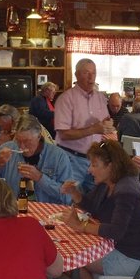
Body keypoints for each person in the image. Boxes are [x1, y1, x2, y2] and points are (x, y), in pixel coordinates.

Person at [60, 140, 140, 279]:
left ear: (111, 166)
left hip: (131, 257)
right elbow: (94, 208)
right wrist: (75, 193)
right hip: (117, 246)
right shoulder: (109, 183)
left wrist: (81, 227)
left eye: (94, 165)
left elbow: (116, 231)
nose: (89, 170)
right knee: (71, 255)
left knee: (67, 261)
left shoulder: (126, 189)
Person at [0, 114, 73, 204]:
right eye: (18, 140)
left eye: (27, 141)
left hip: (49, 215)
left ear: (39, 136)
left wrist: (40, 178)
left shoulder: (58, 156)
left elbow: (67, 197)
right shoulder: (7, 149)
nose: (21, 146)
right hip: (14, 211)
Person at [54, 58, 115, 191]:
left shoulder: (100, 97)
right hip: (71, 159)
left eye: (94, 73)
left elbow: (105, 121)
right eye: (86, 72)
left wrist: (108, 124)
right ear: (76, 75)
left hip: (94, 159)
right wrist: (93, 129)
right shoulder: (66, 99)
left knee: (94, 201)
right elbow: (63, 134)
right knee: (68, 197)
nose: (91, 76)